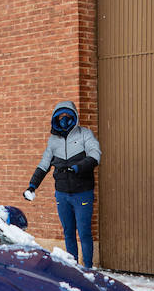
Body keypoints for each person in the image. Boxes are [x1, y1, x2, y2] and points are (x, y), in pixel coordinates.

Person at [24, 101, 101, 266]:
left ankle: (88, 268)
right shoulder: (53, 141)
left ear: (74, 116)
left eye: (67, 116)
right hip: (62, 194)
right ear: (55, 119)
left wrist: (78, 167)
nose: (64, 119)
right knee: (68, 233)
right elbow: (44, 164)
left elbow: (95, 155)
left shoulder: (85, 134)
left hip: (82, 193)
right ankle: (73, 267)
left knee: (84, 232)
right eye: (60, 117)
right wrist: (32, 185)